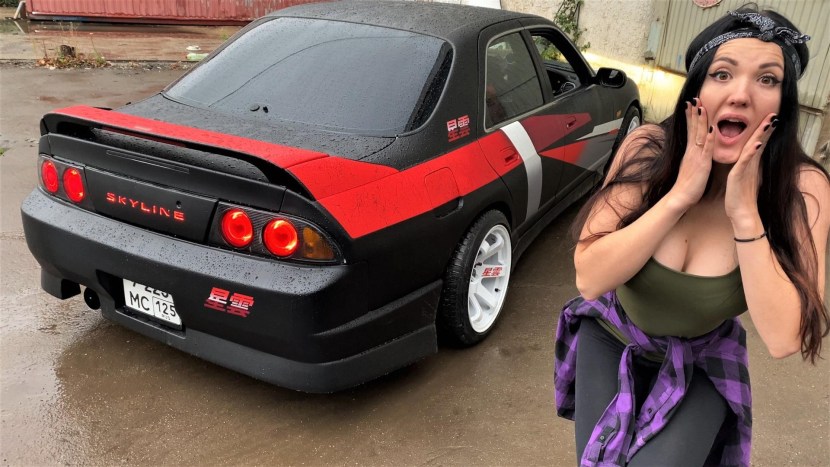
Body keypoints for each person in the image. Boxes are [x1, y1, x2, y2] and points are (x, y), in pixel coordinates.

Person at [553, 5, 830, 466]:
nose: (741, 95)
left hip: (704, 355)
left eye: (767, 79)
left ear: (783, 104)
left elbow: (785, 337)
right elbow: (590, 278)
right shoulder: (649, 148)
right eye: (722, 74)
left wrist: (746, 216)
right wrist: (679, 196)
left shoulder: (803, 188)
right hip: (613, 334)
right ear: (697, 90)